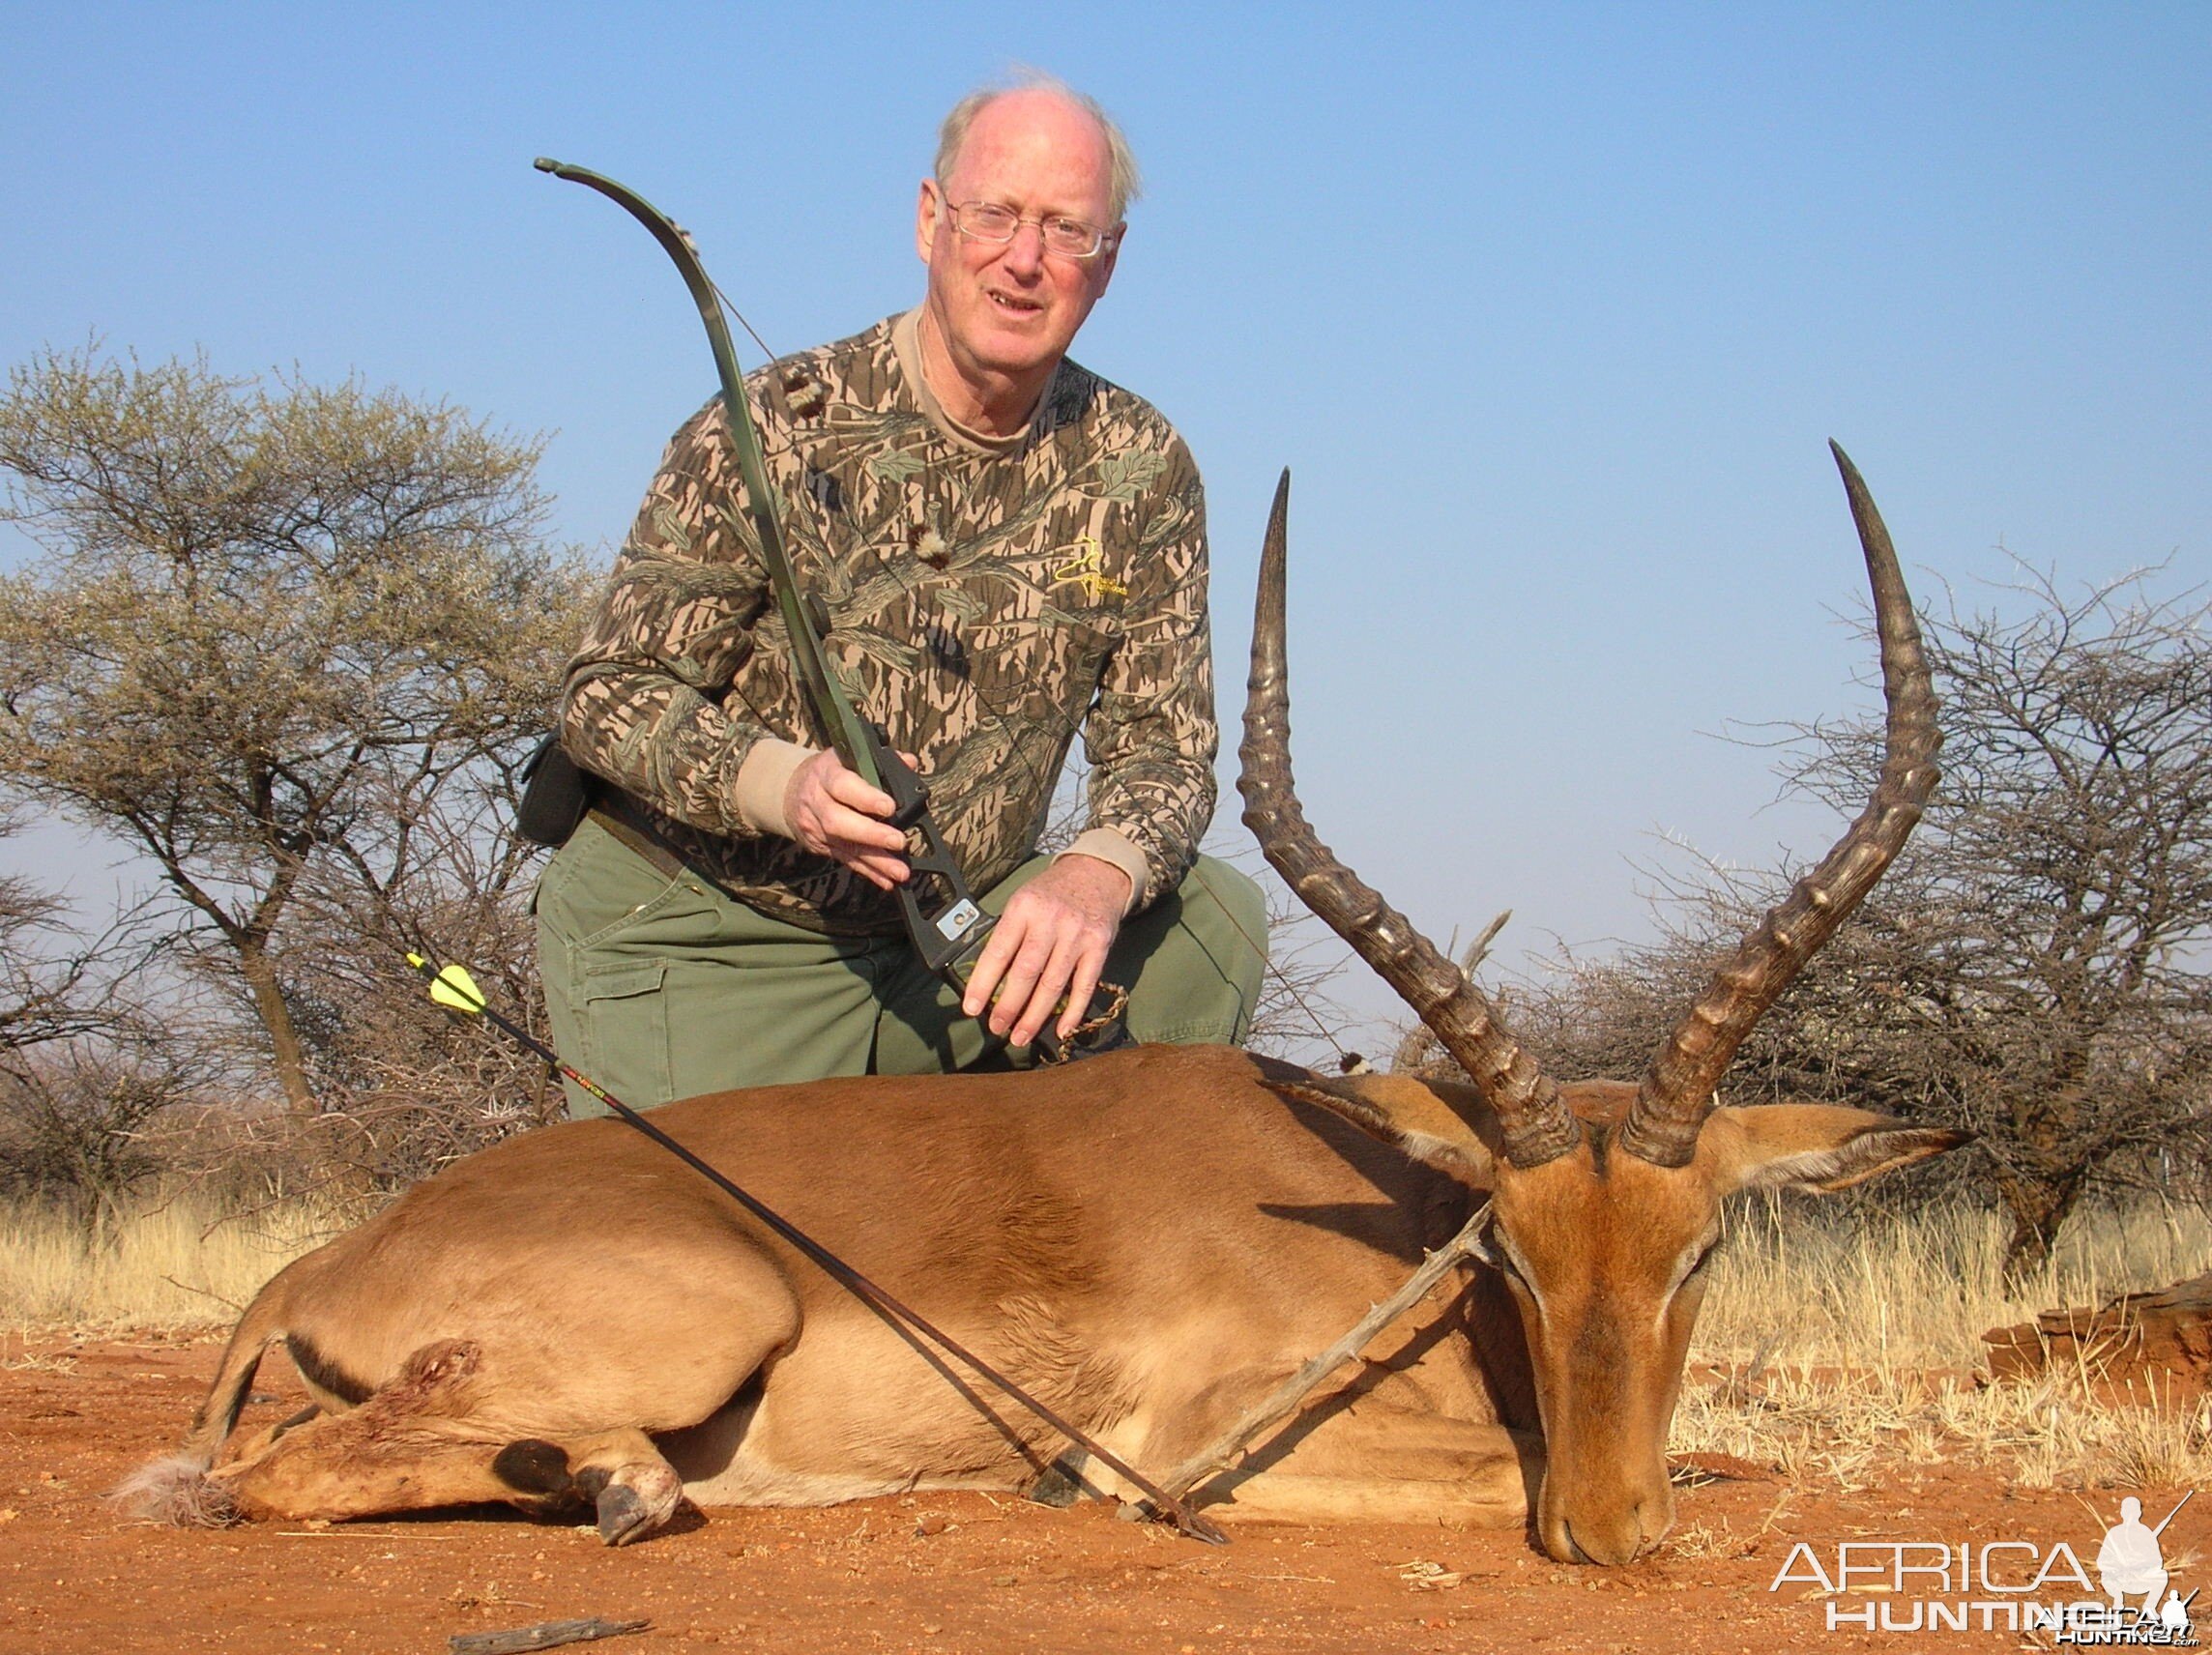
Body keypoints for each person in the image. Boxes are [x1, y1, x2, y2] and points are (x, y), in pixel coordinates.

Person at [535, 75, 1266, 1113]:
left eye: (1067, 230)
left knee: (1213, 919)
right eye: (995, 215)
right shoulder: (776, 422)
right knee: (713, 1266)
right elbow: (605, 694)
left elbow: (1165, 750)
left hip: (956, 939)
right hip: (718, 930)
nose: (1024, 258)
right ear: (931, 221)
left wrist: (1091, 876)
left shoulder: (1141, 466)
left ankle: (1069, 1251)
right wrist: (781, 784)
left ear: (1107, 263)